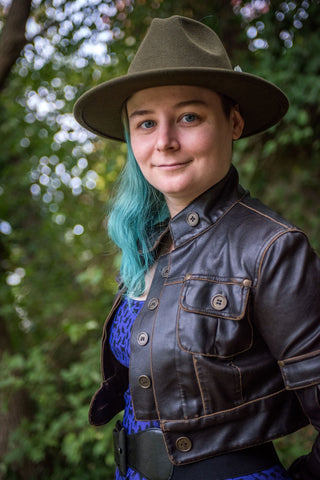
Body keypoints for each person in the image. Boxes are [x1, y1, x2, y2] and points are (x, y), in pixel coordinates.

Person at [74, 15, 320, 480]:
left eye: (189, 117)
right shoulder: (147, 248)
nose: (164, 142)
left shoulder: (272, 248)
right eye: (145, 123)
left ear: (234, 122)